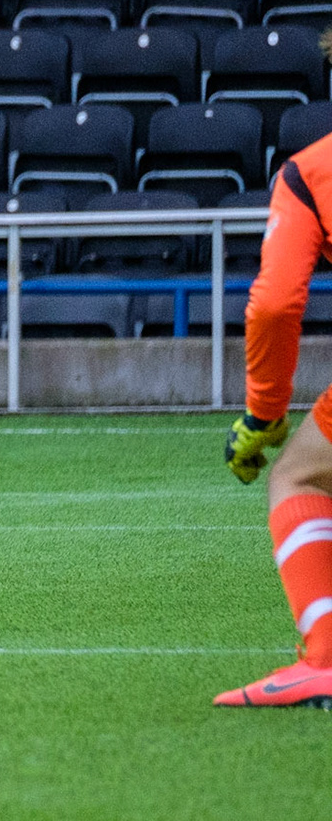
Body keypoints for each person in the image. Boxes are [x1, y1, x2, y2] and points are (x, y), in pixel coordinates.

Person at [216, 38, 332, 707]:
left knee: (300, 475)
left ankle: (325, 657)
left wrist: (263, 413)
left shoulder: (312, 172)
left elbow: (276, 304)